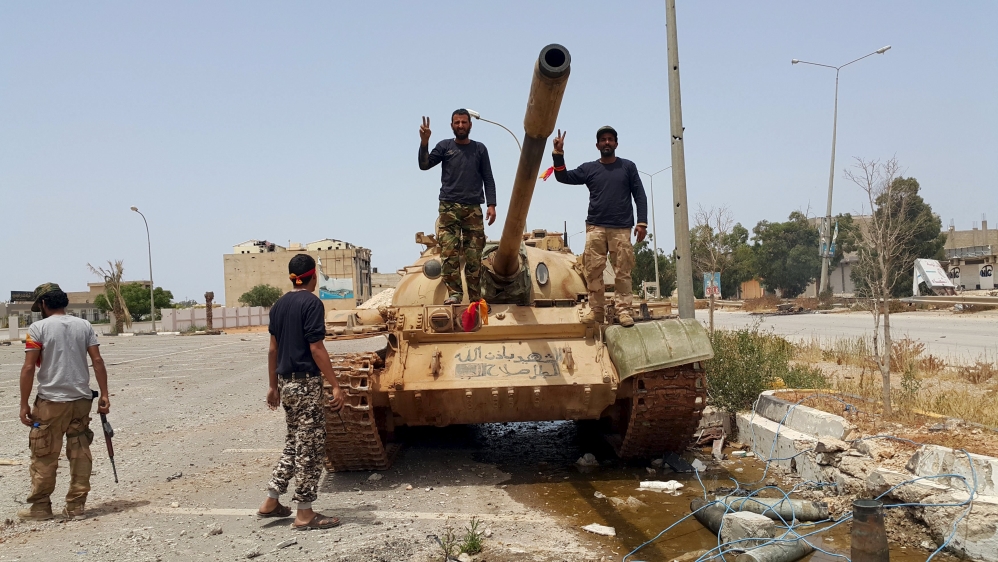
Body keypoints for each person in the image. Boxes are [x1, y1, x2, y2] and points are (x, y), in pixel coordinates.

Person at [258, 254, 345, 530]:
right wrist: (335, 384)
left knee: (294, 442)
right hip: (306, 384)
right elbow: (316, 348)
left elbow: (273, 349)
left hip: (285, 382)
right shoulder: (312, 303)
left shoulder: (278, 305)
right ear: (314, 277)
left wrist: (273, 386)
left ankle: (272, 500)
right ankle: (304, 513)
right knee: (311, 448)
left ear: (292, 277)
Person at [18, 283, 110, 521]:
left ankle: (40, 508)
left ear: (44, 304)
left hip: (51, 401)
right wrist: (105, 395)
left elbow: (29, 367)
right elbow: (97, 362)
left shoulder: (37, 328)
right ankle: (77, 506)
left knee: (44, 454)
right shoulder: (85, 325)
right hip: (81, 400)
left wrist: (23, 404)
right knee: (80, 451)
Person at [550, 126, 648, 327]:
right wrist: (558, 154)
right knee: (593, 271)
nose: (607, 142)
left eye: (610, 139)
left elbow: (640, 195)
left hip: (621, 228)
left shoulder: (628, 167)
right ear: (597, 145)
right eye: (603, 140)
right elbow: (563, 177)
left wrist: (642, 222)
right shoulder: (590, 169)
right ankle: (596, 311)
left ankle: (624, 312)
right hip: (595, 228)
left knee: (623, 272)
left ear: (616, 144)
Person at [418, 109, 498, 305]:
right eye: (457, 122)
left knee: (473, 256)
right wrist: (424, 142)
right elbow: (424, 164)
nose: (460, 125)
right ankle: (455, 294)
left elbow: (488, 177)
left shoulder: (480, 149)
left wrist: (492, 204)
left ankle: (475, 297)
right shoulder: (445, 146)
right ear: (452, 125)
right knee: (449, 254)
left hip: (473, 208)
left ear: (470, 125)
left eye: (464, 122)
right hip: (448, 208)